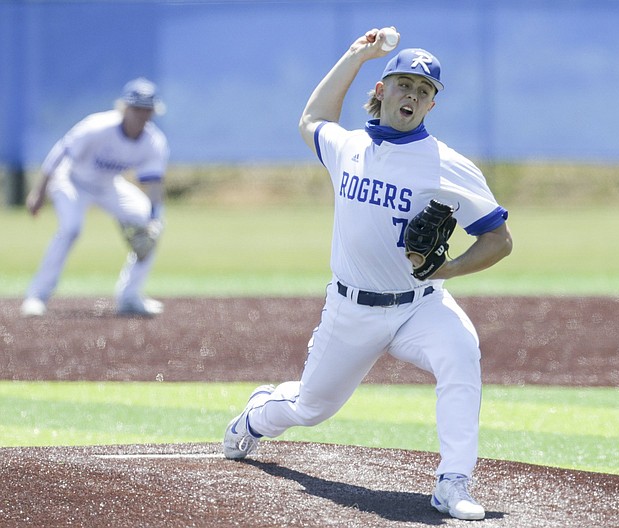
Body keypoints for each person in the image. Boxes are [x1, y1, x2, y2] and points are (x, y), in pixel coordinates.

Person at [223, 28, 512, 521]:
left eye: (425, 92)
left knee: (461, 353)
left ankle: (453, 482)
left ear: (431, 107)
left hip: (421, 303)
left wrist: (449, 268)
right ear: (382, 91)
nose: (413, 96)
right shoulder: (348, 147)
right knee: (311, 408)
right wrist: (357, 54)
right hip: (351, 309)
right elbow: (312, 119)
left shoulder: (449, 166)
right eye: (404, 84)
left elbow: (499, 240)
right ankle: (255, 416)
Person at [20, 77, 169, 317]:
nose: (142, 115)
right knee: (71, 228)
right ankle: (37, 295)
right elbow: (59, 153)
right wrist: (39, 192)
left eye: (147, 110)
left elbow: (154, 185)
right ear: (125, 108)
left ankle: (129, 297)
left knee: (151, 224)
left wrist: (152, 219)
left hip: (108, 185)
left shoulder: (154, 142)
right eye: (137, 109)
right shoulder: (98, 127)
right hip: (71, 180)